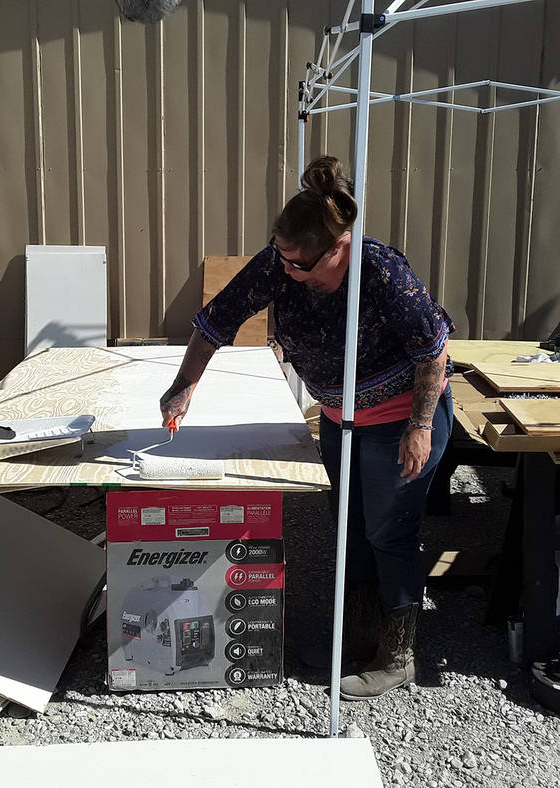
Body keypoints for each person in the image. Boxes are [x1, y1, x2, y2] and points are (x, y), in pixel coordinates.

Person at [159, 155, 454, 701]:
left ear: (339, 248)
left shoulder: (381, 271)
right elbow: (215, 322)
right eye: (282, 257)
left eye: (299, 263)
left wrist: (419, 426)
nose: (287, 270)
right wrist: (184, 386)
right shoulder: (281, 262)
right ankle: (360, 635)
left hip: (399, 419)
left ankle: (398, 655)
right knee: (351, 528)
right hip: (342, 419)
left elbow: (433, 350)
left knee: (389, 533)